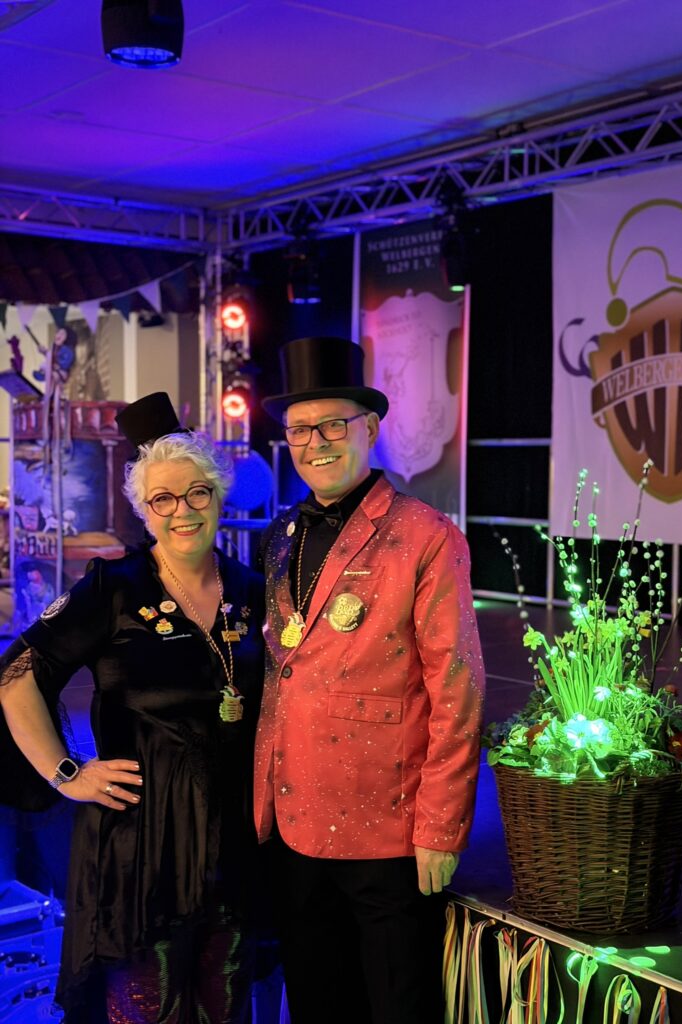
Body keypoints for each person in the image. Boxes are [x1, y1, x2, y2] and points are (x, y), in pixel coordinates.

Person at [0, 392, 266, 1023]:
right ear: (144, 510)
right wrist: (66, 772)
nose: (182, 511)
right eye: (162, 499)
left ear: (219, 496)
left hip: (234, 843)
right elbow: (16, 677)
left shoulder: (252, 589)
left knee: (227, 1008)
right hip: (139, 849)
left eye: (197, 493)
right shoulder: (112, 589)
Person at [255, 336, 485, 1024]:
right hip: (293, 824)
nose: (315, 443)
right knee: (316, 1004)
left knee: (396, 1006)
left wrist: (441, 827)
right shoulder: (282, 534)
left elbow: (458, 688)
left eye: (333, 424)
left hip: (387, 830)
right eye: (300, 429)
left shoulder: (426, 535)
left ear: (371, 428)